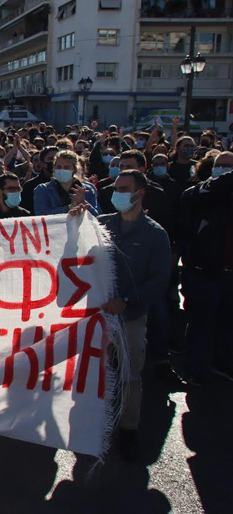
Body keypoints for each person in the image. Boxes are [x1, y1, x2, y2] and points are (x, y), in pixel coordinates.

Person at [71, 169, 171, 460]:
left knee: (130, 376)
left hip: (131, 318)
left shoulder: (155, 234)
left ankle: (128, 430)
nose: (116, 193)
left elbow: (159, 279)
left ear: (139, 194)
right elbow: (78, 251)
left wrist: (126, 300)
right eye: (115, 188)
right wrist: (75, 217)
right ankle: (94, 424)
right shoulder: (103, 225)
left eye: (123, 189)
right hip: (98, 317)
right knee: (94, 372)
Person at [178, 152, 233, 386]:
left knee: (227, 323)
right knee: (201, 322)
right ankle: (196, 369)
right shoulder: (198, 193)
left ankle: (223, 364)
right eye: (219, 165)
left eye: (229, 166)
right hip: (203, 270)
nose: (223, 170)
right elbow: (184, 227)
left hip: (229, 271)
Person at [33, 150, 98, 216]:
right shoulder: (42, 190)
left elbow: (98, 217)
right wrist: (68, 208)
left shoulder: (88, 190)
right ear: (54, 168)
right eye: (59, 167)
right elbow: (41, 215)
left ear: (74, 170)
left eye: (66, 167)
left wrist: (83, 202)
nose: (62, 170)